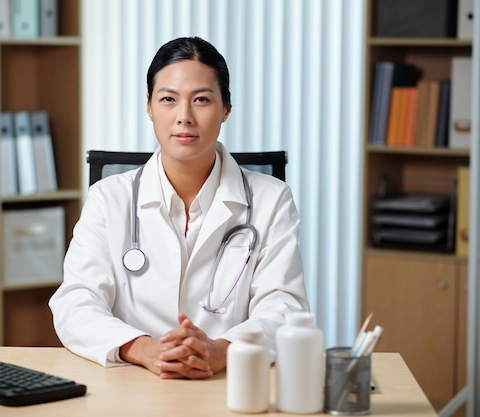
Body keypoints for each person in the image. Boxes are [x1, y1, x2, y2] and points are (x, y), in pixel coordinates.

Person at [49, 36, 309, 380]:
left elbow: (284, 307)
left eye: (201, 100)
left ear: (226, 109)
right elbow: (75, 304)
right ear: (149, 106)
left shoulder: (271, 199)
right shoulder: (108, 198)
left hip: (229, 381)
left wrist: (221, 350)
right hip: (132, 382)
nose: (184, 117)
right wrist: (143, 348)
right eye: (168, 99)